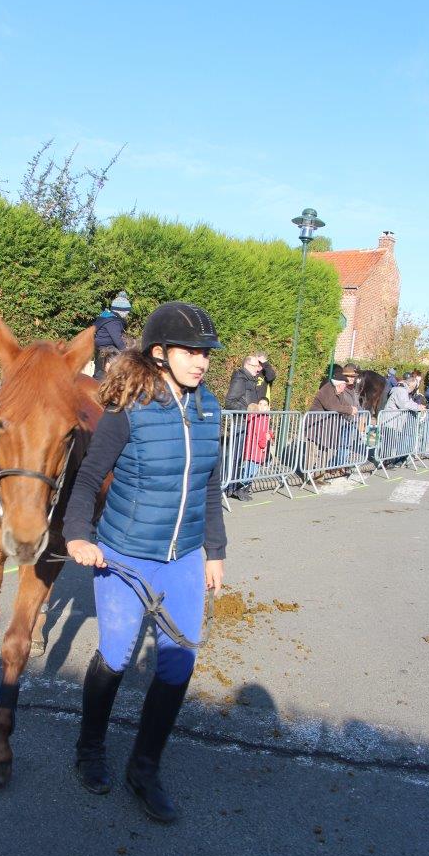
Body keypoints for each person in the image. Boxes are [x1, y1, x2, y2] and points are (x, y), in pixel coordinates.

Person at [63, 301, 226, 824]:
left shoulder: (210, 410)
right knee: (114, 656)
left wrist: (215, 553)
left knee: (178, 667)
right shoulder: (127, 409)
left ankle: (144, 768)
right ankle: (90, 749)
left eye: (205, 353)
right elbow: (88, 479)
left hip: (182, 558)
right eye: (190, 351)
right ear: (160, 353)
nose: (200, 361)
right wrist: (77, 536)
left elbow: (209, 485)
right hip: (126, 557)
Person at [223, 353, 275, 499]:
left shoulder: (250, 379)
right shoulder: (240, 378)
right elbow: (230, 402)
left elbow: (271, 376)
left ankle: (238, 488)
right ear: (247, 365)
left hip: (249, 423)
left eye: (259, 366)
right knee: (236, 457)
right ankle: (229, 488)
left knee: (243, 458)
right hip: (241, 423)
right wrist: (249, 411)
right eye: (255, 366)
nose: (258, 369)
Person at [304, 370, 358, 481]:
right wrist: (349, 410)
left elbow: (343, 405)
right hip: (315, 426)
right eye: (344, 385)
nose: (345, 387)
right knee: (312, 453)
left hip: (328, 428)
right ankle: (308, 477)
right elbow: (332, 406)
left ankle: (318, 477)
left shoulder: (340, 392)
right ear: (339, 384)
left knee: (327, 453)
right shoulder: (326, 390)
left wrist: (352, 413)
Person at [382, 372, 426, 466]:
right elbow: (404, 404)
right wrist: (418, 407)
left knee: (391, 441)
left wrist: (418, 406)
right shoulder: (401, 391)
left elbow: (409, 402)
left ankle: (387, 460)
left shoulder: (403, 391)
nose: (413, 390)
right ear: (411, 385)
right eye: (413, 387)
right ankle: (386, 461)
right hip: (391, 420)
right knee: (389, 442)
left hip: (394, 421)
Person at [93, 290, 131, 381]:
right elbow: (118, 340)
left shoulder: (106, 318)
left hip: (100, 349)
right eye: (127, 312)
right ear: (122, 311)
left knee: (99, 374)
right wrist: (128, 353)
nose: (127, 315)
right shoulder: (113, 322)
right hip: (107, 349)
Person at [240, 399, 273, 490]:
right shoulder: (260, 418)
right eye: (260, 404)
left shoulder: (263, 418)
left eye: (265, 405)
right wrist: (266, 439)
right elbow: (260, 435)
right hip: (255, 449)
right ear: (257, 405)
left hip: (255, 450)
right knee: (250, 471)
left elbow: (265, 432)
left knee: (251, 471)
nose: (262, 406)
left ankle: (245, 488)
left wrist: (269, 434)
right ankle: (241, 489)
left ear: (268, 408)